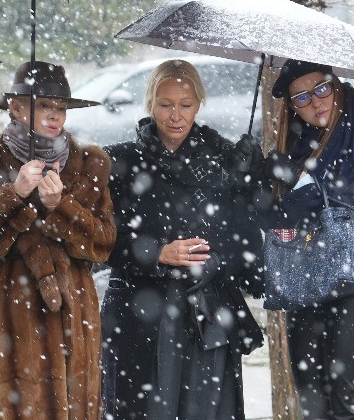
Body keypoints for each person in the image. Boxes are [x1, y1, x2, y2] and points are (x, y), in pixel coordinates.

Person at [101, 59, 265, 420]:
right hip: (138, 311)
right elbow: (101, 241)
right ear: (149, 104)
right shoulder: (121, 162)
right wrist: (156, 253)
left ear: (199, 104)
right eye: (165, 104)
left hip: (205, 312)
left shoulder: (225, 161)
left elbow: (245, 242)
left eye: (186, 105)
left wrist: (252, 179)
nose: (176, 115)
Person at [0, 61, 117, 420]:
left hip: (75, 315)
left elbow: (103, 243)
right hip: (10, 314)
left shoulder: (91, 164)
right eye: (43, 105)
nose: (54, 115)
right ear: (15, 107)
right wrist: (12, 195)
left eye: (60, 107)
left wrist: (60, 206)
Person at [263, 59, 354, 420]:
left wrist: (305, 187)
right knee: (313, 407)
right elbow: (277, 219)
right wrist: (258, 180)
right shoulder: (295, 143)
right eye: (302, 98)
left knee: (347, 407)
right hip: (305, 283)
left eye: (321, 88)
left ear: (335, 83)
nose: (316, 102)